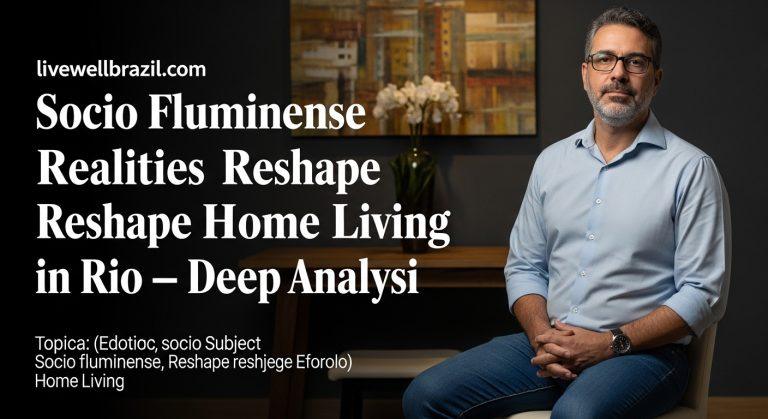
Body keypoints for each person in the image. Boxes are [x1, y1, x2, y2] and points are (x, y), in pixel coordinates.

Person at [402, 6, 730, 418]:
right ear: (585, 73)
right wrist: (543, 337)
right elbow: (524, 266)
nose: (618, 73)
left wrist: (609, 343)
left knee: (576, 416)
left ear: (656, 79)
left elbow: (704, 293)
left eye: (636, 62)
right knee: (425, 395)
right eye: (604, 59)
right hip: (548, 343)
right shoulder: (552, 163)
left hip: (642, 356)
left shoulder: (691, 169)